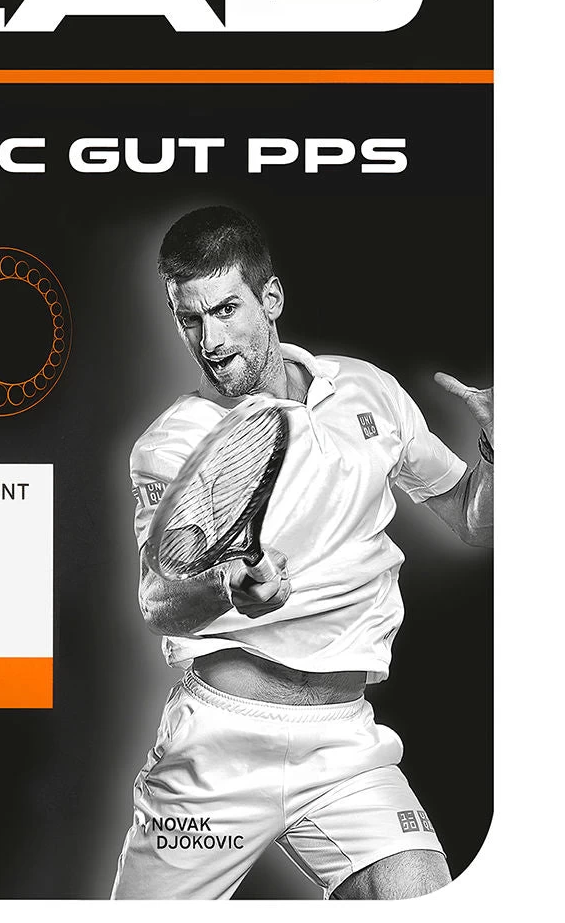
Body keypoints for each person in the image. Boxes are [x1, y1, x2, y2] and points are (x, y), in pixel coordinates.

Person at [110, 206, 492, 901]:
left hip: (344, 745)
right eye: (188, 318)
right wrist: (228, 588)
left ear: (272, 298)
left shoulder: (367, 390)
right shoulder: (173, 445)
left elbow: (472, 517)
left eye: (225, 310)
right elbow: (159, 599)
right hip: (220, 751)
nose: (209, 340)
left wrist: (498, 452)